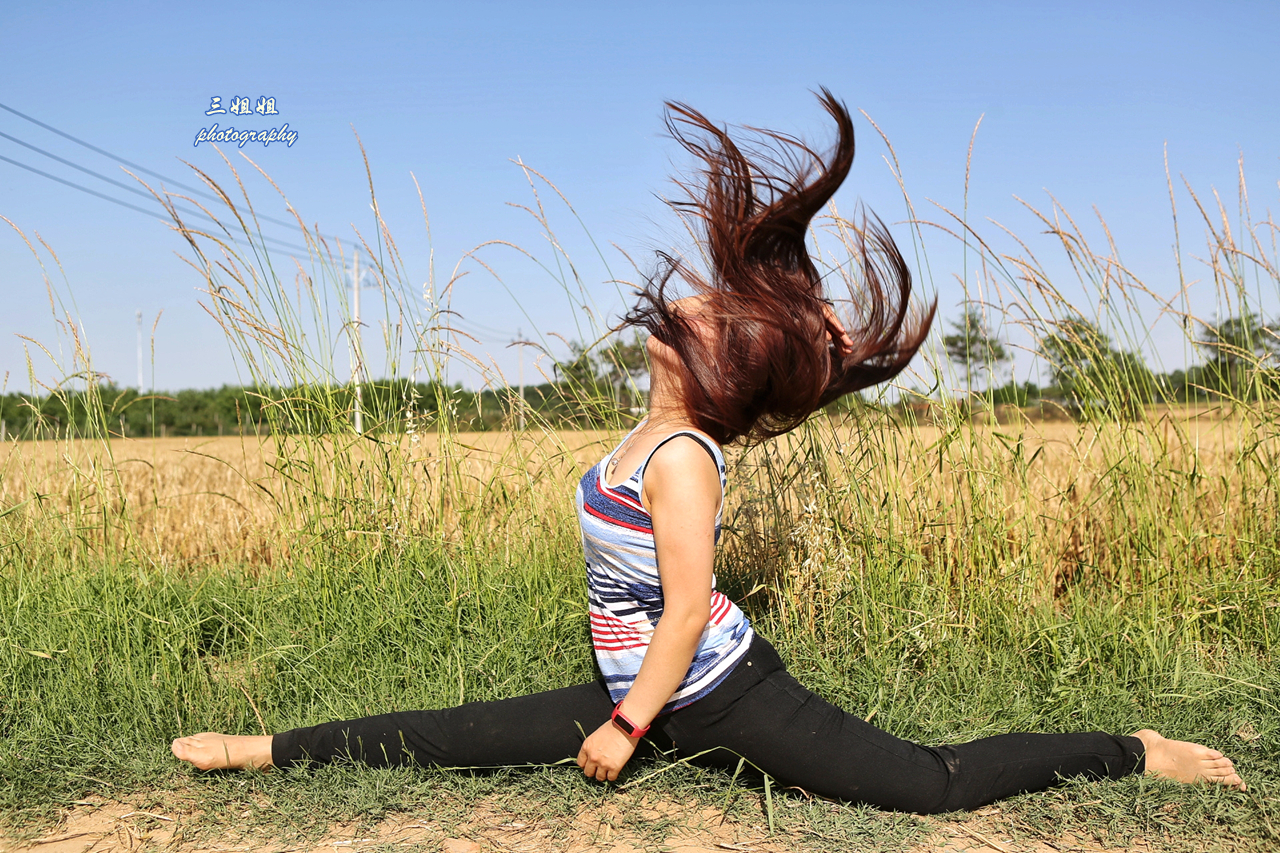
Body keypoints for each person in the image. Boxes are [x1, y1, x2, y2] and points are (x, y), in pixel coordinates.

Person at [172, 91, 1245, 812]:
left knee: (928, 785)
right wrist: (624, 700)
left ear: (714, 364)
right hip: (634, 683)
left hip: (716, 693)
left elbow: (687, 607)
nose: (687, 293)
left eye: (711, 304)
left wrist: (629, 723)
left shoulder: (681, 454)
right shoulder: (646, 430)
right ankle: (256, 749)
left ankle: (1129, 749)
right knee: (455, 731)